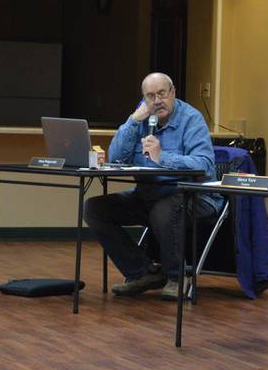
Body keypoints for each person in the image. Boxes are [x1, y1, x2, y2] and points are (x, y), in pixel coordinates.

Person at [84, 72, 221, 299]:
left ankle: (178, 277)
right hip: (149, 194)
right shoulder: (141, 120)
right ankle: (142, 272)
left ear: (173, 93)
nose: (157, 101)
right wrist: (133, 120)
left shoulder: (191, 119)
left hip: (194, 196)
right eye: (150, 96)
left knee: (164, 209)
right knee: (95, 208)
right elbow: (116, 157)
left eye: (161, 94)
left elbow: (205, 164)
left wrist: (162, 157)